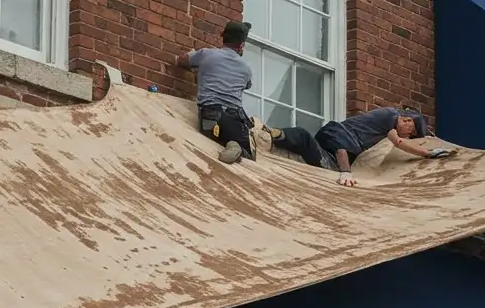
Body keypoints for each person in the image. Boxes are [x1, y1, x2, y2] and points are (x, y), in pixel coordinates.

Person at [265, 106, 452, 186]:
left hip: (328, 141)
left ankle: (280, 135)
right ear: (406, 120)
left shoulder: (387, 121)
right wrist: (428, 153)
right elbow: (399, 143)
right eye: (412, 131)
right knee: (343, 150)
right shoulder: (390, 117)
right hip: (338, 137)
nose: (409, 135)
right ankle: (344, 170)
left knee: (304, 138)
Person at [177, 20, 256, 164]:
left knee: (214, 133)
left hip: (209, 117)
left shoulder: (206, 55)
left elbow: (181, 60)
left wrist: (195, 62)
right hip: (234, 120)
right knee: (250, 157)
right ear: (242, 45)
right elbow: (246, 85)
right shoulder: (246, 68)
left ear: (223, 37)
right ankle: (234, 145)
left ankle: (229, 143)